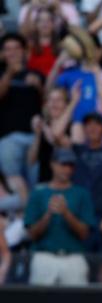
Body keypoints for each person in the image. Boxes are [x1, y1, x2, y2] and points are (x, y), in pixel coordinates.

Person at [23, 148, 95, 286]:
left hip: (73, 257)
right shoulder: (38, 193)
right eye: (63, 164)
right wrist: (48, 214)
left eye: (70, 165)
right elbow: (32, 234)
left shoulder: (82, 194)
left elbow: (84, 234)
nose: (67, 169)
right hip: (44, 257)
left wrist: (66, 213)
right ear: (53, 164)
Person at [0, 32, 44, 203]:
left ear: (25, 51)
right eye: (7, 49)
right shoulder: (2, 73)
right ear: (3, 53)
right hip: (8, 138)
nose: (12, 52)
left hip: (34, 139)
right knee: (15, 187)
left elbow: (49, 104)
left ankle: (26, 224)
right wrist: (9, 74)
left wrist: (39, 86)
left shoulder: (36, 74)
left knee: (33, 189)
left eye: (16, 48)